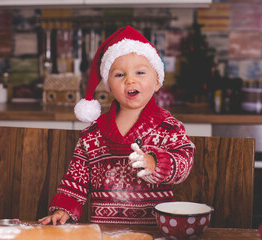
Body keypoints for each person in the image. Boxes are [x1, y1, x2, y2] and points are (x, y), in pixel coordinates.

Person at [39, 26, 195, 225]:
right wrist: (64, 208)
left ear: (157, 82)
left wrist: (155, 163)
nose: (130, 79)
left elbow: (184, 162)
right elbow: (76, 178)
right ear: (109, 86)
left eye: (140, 72)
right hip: (105, 231)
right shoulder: (92, 135)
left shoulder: (170, 128)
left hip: (155, 230)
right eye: (120, 75)